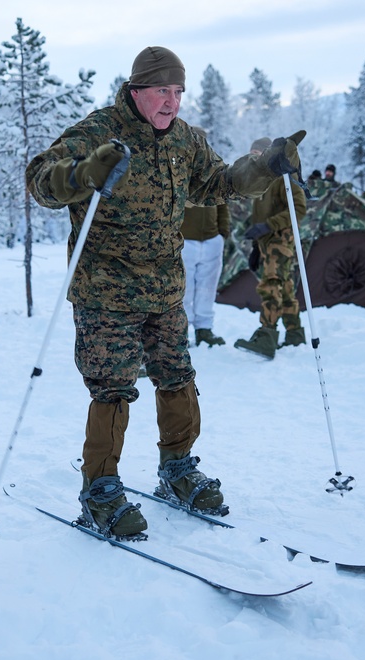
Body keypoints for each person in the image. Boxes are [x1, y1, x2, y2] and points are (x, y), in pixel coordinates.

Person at [25, 46, 304, 538]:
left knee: (177, 376)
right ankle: (100, 490)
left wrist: (264, 167)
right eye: (162, 91)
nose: (172, 102)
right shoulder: (97, 132)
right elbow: (42, 183)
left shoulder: (185, 141)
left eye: (178, 92)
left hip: (163, 288)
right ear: (136, 91)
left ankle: (177, 469)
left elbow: (219, 182)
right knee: (111, 387)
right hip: (106, 291)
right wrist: (85, 173)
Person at [233, 137, 308, 360]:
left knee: (271, 286)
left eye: (257, 153)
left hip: (281, 241)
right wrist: (257, 247)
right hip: (268, 244)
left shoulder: (283, 176)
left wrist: (268, 226)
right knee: (283, 287)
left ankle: (267, 335)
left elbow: (299, 210)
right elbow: (260, 216)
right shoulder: (260, 181)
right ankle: (295, 334)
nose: (253, 158)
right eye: (251, 154)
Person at [180, 126, 230, 348]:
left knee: (207, 288)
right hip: (185, 239)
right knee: (184, 289)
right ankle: (181, 332)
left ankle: (204, 329)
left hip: (211, 239)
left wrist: (223, 232)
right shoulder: (178, 168)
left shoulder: (214, 169)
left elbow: (222, 201)